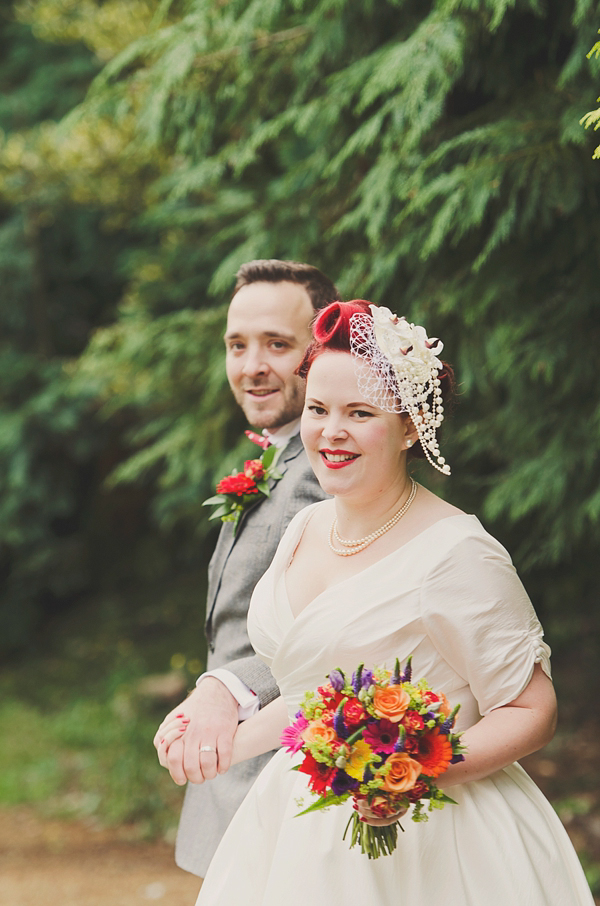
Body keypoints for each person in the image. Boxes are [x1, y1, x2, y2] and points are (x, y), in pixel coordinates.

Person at [162, 299, 594, 904]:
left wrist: (417, 768)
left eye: (359, 412)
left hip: (438, 838)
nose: (330, 431)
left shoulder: (459, 552)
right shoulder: (305, 527)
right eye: (317, 409)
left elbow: (532, 709)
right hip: (296, 829)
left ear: (411, 425)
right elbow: (309, 700)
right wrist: (215, 743)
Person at [154, 260, 339, 877]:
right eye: (237, 345)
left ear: (320, 353)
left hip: (284, 774)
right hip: (229, 768)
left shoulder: (325, 467)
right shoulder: (279, 458)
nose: (251, 365)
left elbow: (335, 625)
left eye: (277, 345)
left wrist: (224, 687)